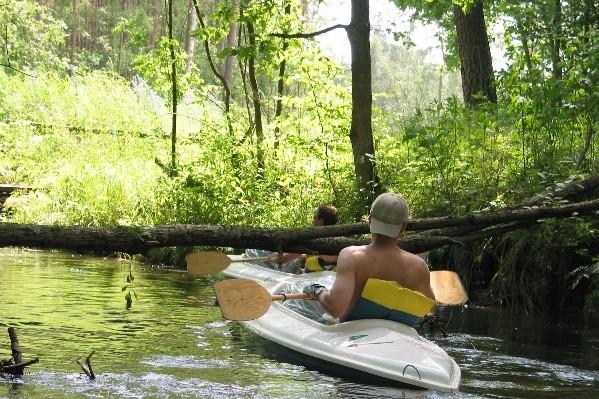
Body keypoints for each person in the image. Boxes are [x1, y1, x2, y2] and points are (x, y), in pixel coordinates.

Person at [302, 192, 436, 323]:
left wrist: (318, 290)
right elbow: (430, 309)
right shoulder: (418, 266)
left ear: (370, 220)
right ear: (403, 227)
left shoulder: (351, 256)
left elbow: (335, 308)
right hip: (397, 337)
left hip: (353, 337)